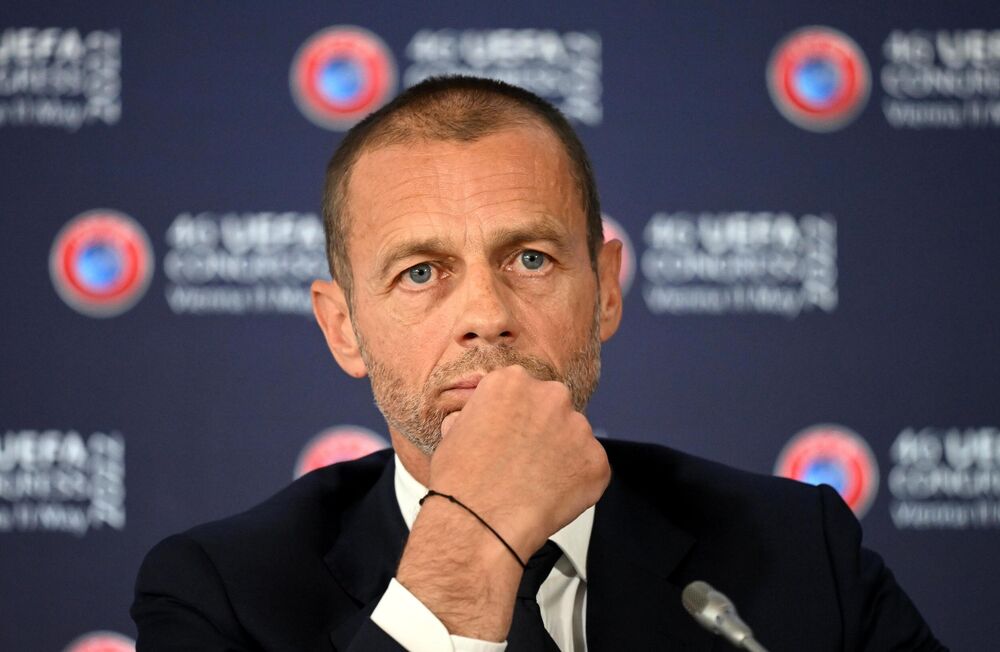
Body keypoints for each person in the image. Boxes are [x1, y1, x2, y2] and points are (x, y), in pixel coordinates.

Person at [131, 76, 946, 651]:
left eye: (530, 259)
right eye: (421, 272)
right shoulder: (221, 594)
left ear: (605, 293)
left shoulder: (799, 552)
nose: (485, 315)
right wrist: (468, 540)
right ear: (343, 328)